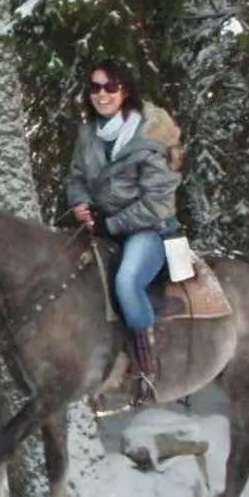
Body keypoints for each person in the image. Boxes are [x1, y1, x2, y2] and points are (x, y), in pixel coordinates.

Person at [64, 61, 183, 407]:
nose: (102, 94)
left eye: (110, 87)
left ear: (125, 91)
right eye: (95, 87)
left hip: (150, 230)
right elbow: (75, 176)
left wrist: (110, 224)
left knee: (127, 282)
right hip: (102, 227)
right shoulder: (89, 134)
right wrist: (81, 203)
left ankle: (148, 373)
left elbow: (158, 202)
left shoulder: (152, 135)